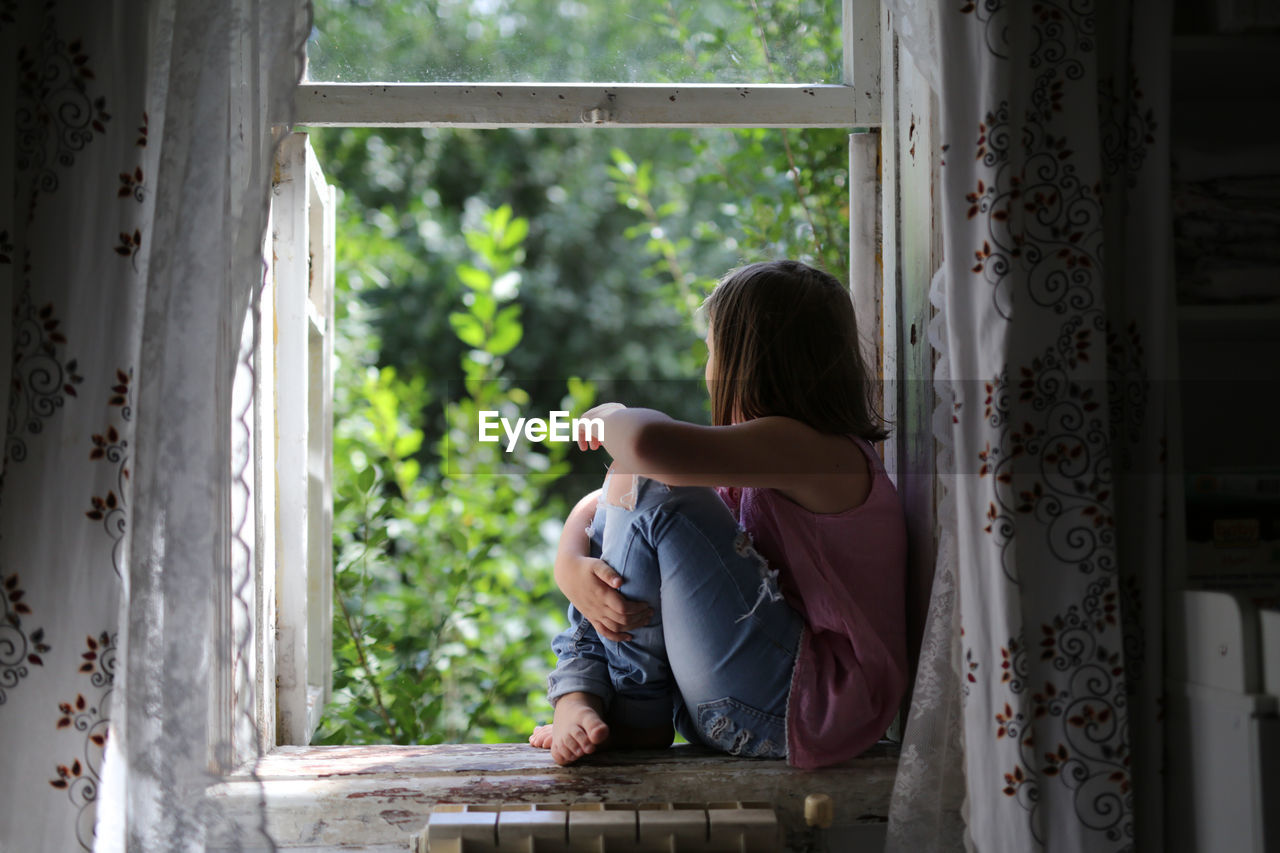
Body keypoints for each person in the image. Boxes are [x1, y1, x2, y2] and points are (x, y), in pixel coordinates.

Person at [527, 260, 908, 769]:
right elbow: (607, 501)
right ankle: (583, 694)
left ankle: (625, 706)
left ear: (744, 361)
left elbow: (642, 446)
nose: (706, 371)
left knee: (644, 476)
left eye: (711, 352)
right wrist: (569, 561)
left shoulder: (815, 452)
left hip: (801, 706)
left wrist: (608, 418)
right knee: (631, 484)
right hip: (757, 695)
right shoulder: (767, 457)